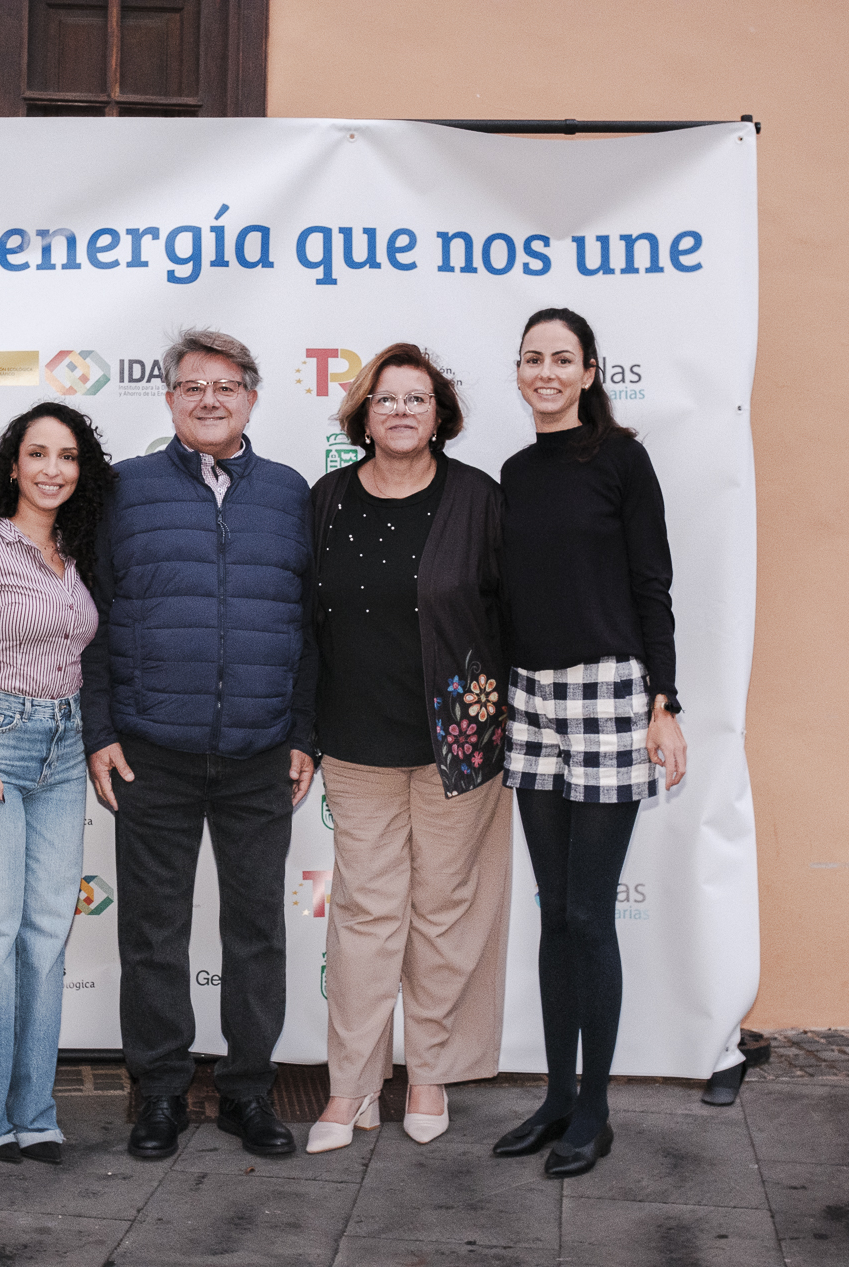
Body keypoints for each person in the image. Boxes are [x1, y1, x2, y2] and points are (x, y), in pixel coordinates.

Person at [83, 328, 317, 1161]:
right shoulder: (123, 491)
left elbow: (312, 626)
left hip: (261, 752)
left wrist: (304, 731)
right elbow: (91, 617)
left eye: (226, 385)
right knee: (152, 932)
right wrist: (100, 730)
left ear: (251, 396)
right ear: (170, 398)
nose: (209, 399)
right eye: (193, 386)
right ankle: (159, 1092)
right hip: (152, 751)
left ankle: (249, 1090)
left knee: (257, 929)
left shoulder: (290, 493)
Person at [489, 308, 687, 1178]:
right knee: (552, 909)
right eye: (533, 358)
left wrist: (664, 702)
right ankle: (557, 1097)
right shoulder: (515, 471)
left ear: (590, 370)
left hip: (610, 692)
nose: (546, 371)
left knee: (587, 912)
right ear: (519, 371)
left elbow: (653, 585)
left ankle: (596, 1110)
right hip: (529, 697)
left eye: (562, 358)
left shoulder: (622, 460)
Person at [303, 344, 513, 1154]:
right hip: (355, 741)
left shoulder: (478, 498)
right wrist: (300, 732)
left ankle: (430, 1072)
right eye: (385, 398)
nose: (400, 411)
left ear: (439, 414)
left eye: (416, 398)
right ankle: (351, 1084)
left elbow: (513, 615)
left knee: (446, 910)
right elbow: (304, 623)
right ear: (363, 413)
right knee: (365, 914)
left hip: (460, 740)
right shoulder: (326, 500)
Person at [0, 402, 116, 1164]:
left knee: (44, 937)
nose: (52, 469)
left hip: (63, 751)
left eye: (66, 456)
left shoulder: (74, 552)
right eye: (38, 453)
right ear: (13, 464)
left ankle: (35, 1111)